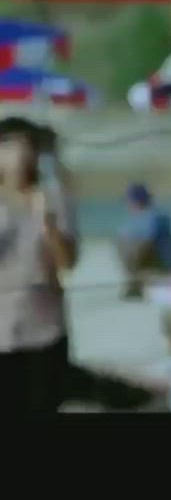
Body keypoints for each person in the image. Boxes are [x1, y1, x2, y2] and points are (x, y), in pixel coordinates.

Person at [0, 117, 77, 412]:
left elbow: (67, 263)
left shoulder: (53, 198)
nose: (20, 155)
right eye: (10, 147)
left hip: (45, 331)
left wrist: (48, 223)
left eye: (27, 147)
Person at [116, 182, 171, 299]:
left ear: (136, 201)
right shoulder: (137, 218)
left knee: (131, 246)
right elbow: (124, 235)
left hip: (160, 260)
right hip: (147, 260)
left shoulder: (155, 216)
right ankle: (134, 281)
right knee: (124, 243)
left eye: (129, 201)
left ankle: (135, 282)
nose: (128, 205)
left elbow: (147, 241)